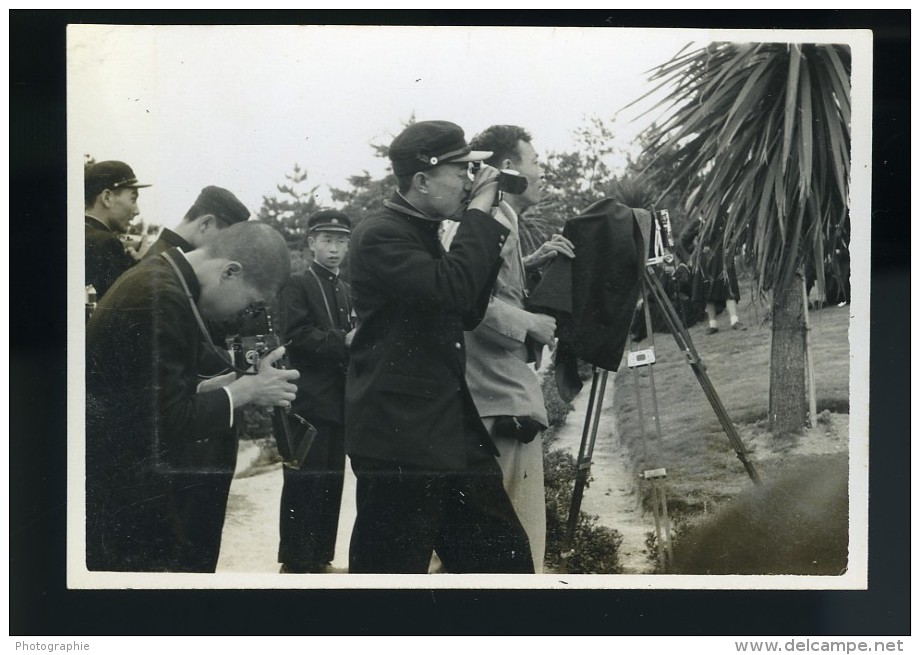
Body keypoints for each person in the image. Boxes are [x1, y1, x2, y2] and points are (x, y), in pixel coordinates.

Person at [344, 120, 533, 574]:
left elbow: (464, 307)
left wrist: (482, 221)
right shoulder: (380, 233)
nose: (471, 182)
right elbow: (451, 290)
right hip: (399, 441)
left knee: (506, 564)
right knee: (388, 580)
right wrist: (480, 212)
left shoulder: (425, 231)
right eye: (462, 171)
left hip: (446, 431)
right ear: (423, 180)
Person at [85, 221, 299, 572]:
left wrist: (216, 387)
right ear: (230, 272)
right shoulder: (161, 296)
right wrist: (244, 391)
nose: (240, 316)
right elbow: (165, 419)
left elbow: (142, 396)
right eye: (249, 304)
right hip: (122, 498)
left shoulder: (160, 279)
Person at [441, 125, 574, 573]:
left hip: (490, 395)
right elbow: (465, 300)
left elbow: (487, 286)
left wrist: (532, 266)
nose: (541, 171)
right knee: (517, 535)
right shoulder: (495, 220)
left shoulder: (503, 220)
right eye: (534, 161)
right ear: (510, 169)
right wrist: (531, 323)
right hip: (497, 397)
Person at [276, 210, 355, 574]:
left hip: (338, 400)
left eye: (341, 240)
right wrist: (344, 340)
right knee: (304, 482)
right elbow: (295, 335)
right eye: (327, 240)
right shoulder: (297, 284)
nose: (335, 248)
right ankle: (296, 561)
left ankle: (320, 558)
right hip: (307, 399)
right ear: (311, 243)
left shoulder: (345, 288)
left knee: (331, 481)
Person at [84, 160, 151, 299]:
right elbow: (127, 305)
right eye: (133, 199)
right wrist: (143, 264)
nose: (137, 211)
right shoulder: (106, 243)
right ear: (107, 197)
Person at [679, 217, 745, 334]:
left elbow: (735, 235)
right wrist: (696, 249)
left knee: (729, 290)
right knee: (709, 293)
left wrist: (731, 249)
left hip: (724, 259)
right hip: (707, 261)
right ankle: (713, 324)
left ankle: (734, 321)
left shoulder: (724, 217)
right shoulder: (699, 222)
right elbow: (684, 240)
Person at [145, 185, 251, 257]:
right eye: (224, 240)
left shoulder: (158, 251)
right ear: (206, 224)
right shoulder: (169, 263)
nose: (223, 249)